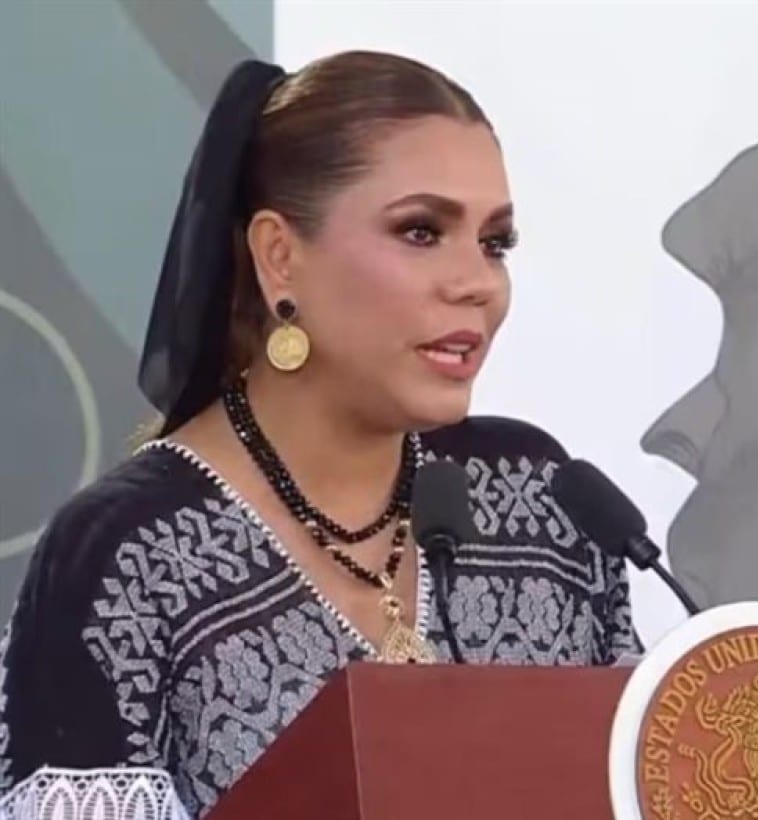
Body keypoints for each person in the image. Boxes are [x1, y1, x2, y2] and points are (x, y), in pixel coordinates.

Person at [0, 53, 640, 819]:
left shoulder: (539, 500)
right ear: (279, 257)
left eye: (494, 242)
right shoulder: (129, 552)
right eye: (421, 231)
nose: (477, 283)